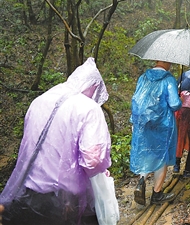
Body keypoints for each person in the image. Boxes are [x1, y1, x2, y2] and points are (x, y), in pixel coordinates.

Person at [0, 57, 112, 225]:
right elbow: (93, 160)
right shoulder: (88, 108)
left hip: (28, 192)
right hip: (65, 201)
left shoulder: (40, 100)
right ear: (94, 87)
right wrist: (101, 172)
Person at [130, 60, 182, 206]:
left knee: (147, 153)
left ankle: (141, 182)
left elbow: (136, 100)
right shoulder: (168, 79)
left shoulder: (143, 78)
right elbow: (174, 104)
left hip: (144, 124)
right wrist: (179, 99)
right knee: (161, 156)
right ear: (167, 63)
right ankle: (157, 194)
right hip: (162, 126)